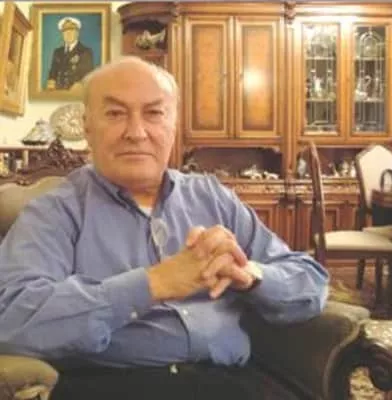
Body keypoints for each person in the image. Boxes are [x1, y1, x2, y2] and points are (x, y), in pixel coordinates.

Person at [0, 56, 329, 400]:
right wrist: (154, 283)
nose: (136, 132)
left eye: (154, 113)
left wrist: (250, 274)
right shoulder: (55, 211)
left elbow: (311, 282)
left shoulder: (213, 197)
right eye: (115, 113)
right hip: (113, 384)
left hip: (235, 380)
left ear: (174, 125)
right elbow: (11, 320)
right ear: (87, 127)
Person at [47, 17, 94, 91]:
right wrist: (51, 81)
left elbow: (88, 76)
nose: (68, 33)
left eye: (71, 30)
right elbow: (52, 73)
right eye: (65, 31)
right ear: (62, 34)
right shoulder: (57, 52)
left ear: (77, 33)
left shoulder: (85, 52)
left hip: (76, 93)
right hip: (58, 92)